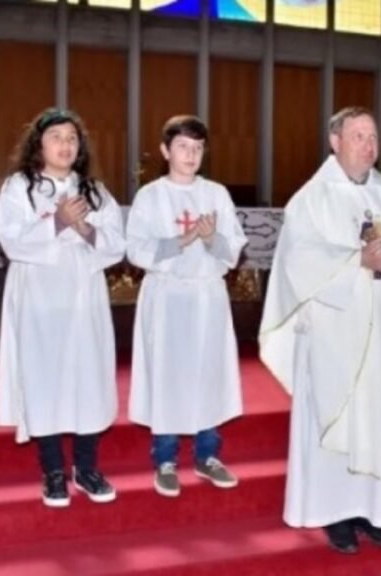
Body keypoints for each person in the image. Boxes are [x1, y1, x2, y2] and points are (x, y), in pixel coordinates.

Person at [259, 106, 381, 554]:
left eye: (373, 137)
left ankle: (372, 511)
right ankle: (333, 512)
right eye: (358, 136)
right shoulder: (312, 198)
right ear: (335, 142)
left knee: (377, 418)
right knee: (336, 416)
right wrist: (359, 260)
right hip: (333, 333)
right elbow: (299, 259)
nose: (368, 145)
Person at [0, 107, 126, 507]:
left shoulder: (95, 191)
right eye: (56, 137)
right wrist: (56, 222)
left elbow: (116, 245)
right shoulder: (20, 187)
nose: (65, 145)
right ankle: (52, 470)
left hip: (84, 297)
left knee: (89, 376)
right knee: (43, 377)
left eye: (72, 138)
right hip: (38, 296)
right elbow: (10, 239)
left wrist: (82, 225)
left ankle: (86, 467)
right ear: (39, 145)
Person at [126, 115, 248, 498]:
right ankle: (165, 459)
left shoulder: (217, 194)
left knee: (207, 373)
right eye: (182, 146)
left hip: (207, 296)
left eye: (197, 148)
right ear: (166, 151)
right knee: (168, 375)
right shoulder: (150, 196)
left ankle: (207, 455)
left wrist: (210, 240)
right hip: (167, 298)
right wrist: (185, 238)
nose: (191, 154)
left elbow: (233, 250)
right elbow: (137, 249)